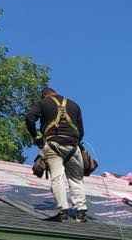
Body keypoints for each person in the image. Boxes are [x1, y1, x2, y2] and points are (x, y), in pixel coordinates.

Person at [25, 87, 87, 222]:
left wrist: (36, 137)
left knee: (57, 177)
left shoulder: (43, 103)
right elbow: (81, 132)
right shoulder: (74, 105)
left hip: (53, 145)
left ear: (44, 96)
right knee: (76, 179)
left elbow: (29, 118)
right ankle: (81, 212)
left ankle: (62, 211)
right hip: (73, 147)